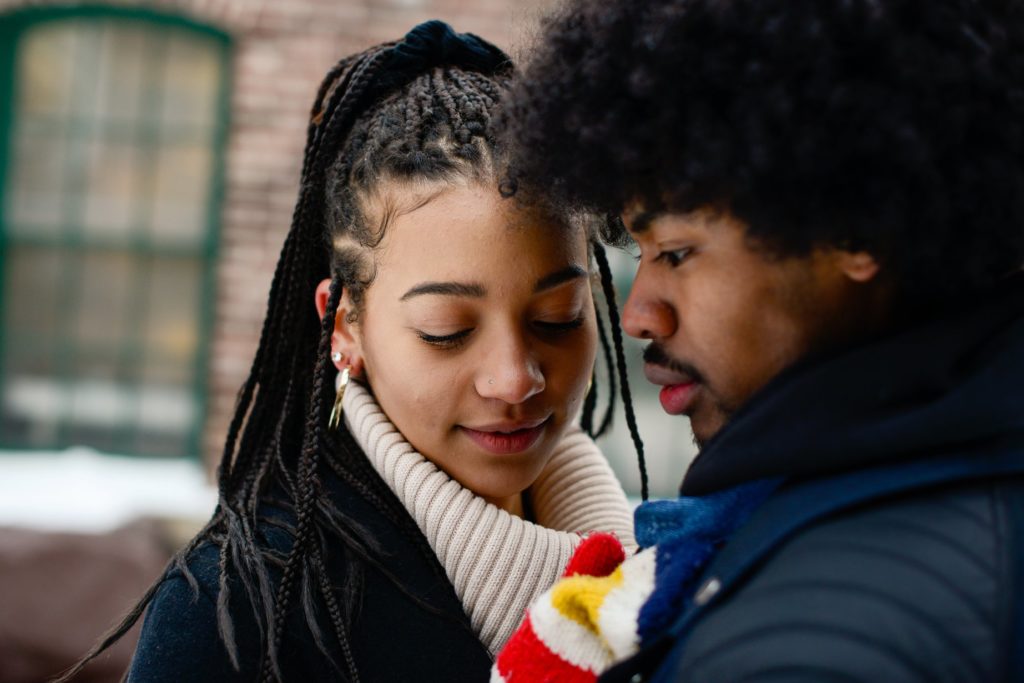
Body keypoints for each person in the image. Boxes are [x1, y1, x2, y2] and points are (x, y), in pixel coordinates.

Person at [57, 21, 637, 683]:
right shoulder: (240, 611)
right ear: (344, 325)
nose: (514, 378)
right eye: (447, 329)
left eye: (555, 317)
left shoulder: (657, 574)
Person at [492, 0, 1024, 681]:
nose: (638, 315)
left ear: (856, 228)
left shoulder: (810, 646)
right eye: (638, 252)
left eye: (677, 252)